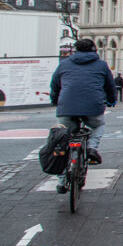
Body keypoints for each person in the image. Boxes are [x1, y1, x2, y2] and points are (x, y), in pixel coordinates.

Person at [49, 38, 115, 194]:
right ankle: (91, 148)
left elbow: (55, 85)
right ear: (94, 49)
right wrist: (112, 100)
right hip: (93, 106)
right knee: (98, 125)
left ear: (75, 50)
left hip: (67, 107)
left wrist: (55, 100)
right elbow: (110, 86)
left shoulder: (64, 64)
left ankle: (61, 181)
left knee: (63, 139)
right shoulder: (101, 65)